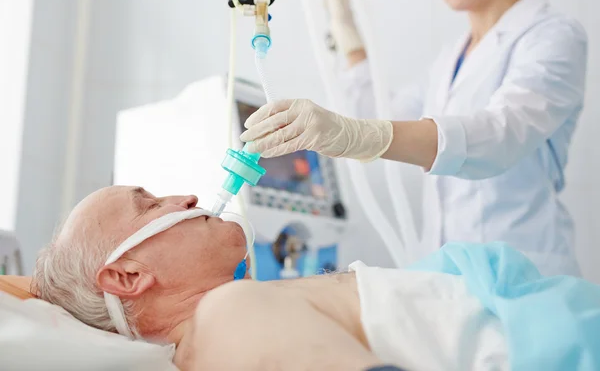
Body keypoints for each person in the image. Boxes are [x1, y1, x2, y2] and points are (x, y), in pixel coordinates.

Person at [240, 0, 588, 277]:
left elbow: (501, 135)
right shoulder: (451, 56)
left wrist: (360, 136)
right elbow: (378, 113)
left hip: (524, 276)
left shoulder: (553, 35)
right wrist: (343, 22)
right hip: (448, 276)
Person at [31, 186, 600, 370]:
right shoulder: (228, 314)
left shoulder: (237, 315)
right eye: (150, 203)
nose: (186, 197)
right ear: (128, 275)